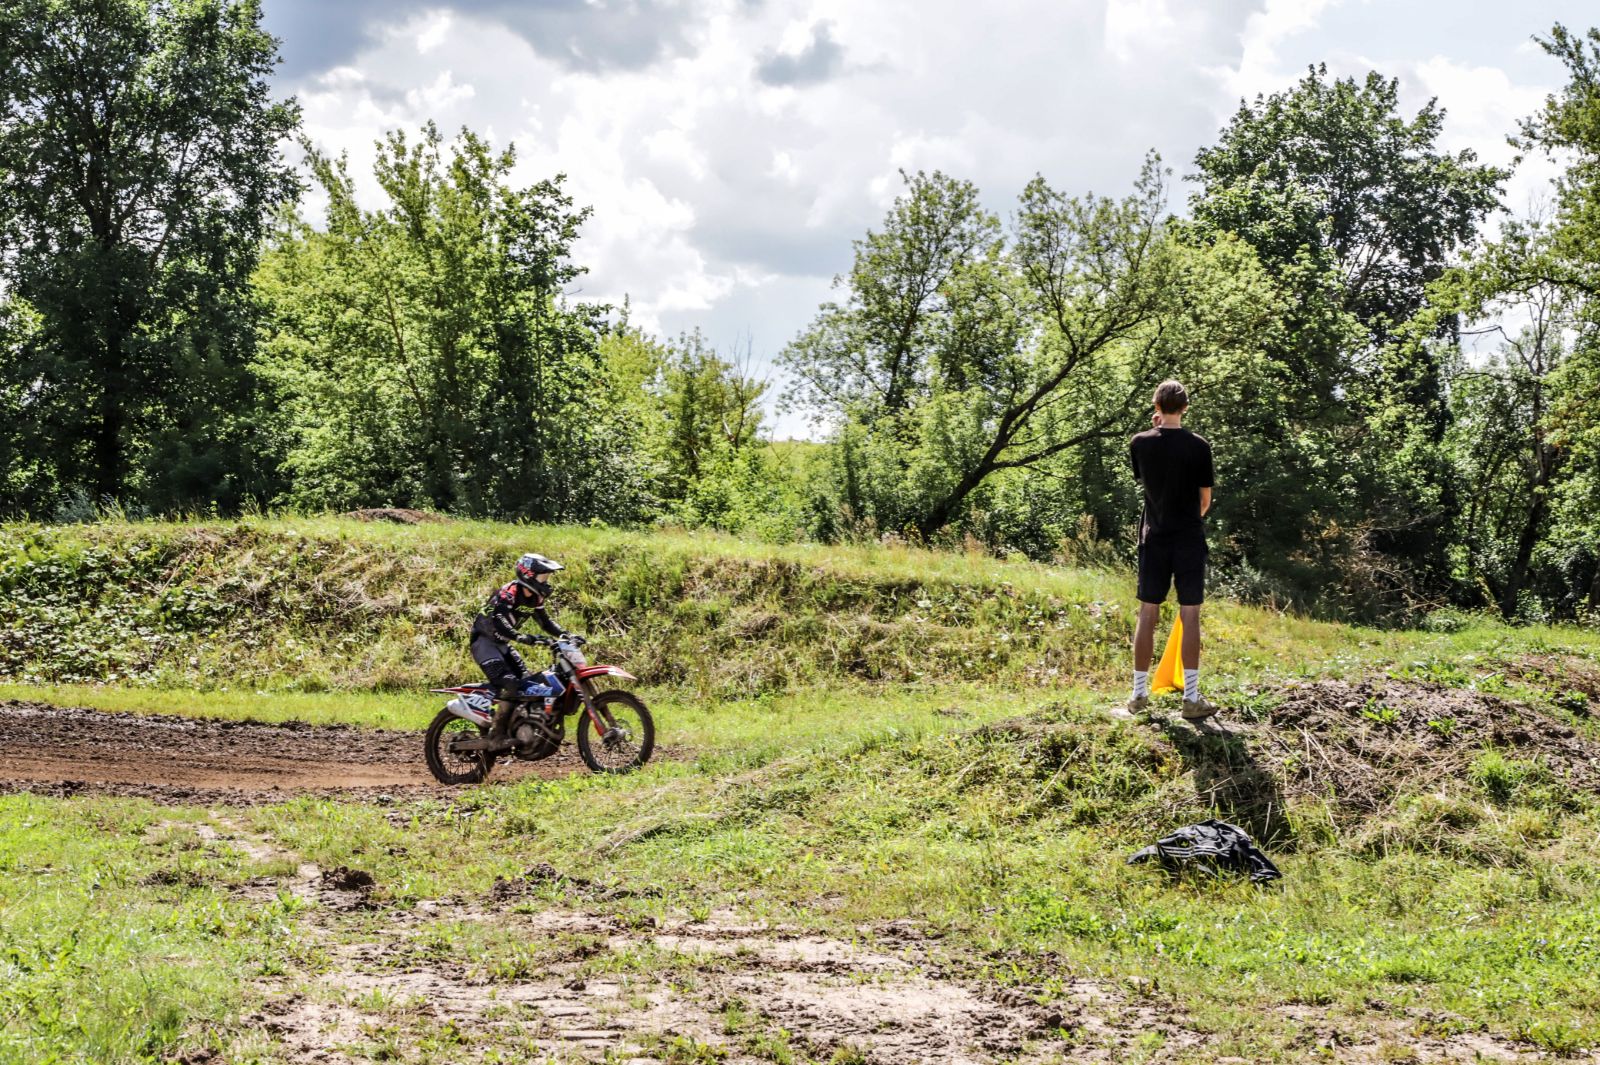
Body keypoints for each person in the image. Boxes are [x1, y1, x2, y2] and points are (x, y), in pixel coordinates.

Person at [1127, 380, 1216, 721]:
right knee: (1190, 615)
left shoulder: (1140, 442)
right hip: (1188, 537)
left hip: (1155, 538)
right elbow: (1204, 500)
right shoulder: (1199, 446)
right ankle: (1191, 698)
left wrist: (1155, 429)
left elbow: (1151, 479)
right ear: (1186, 407)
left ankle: (1138, 695)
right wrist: (1190, 519)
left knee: (1147, 614)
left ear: (1156, 406)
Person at [469, 552, 579, 702]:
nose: (545, 582)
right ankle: (486, 710)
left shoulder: (536, 598)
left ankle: (520, 716)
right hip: (483, 642)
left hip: (503, 644)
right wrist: (519, 636)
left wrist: (567, 635)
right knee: (509, 683)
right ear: (528, 575)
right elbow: (499, 619)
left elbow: (545, 623)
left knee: (527, 685)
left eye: (546, 578)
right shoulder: (509, 592)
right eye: (542, 578)